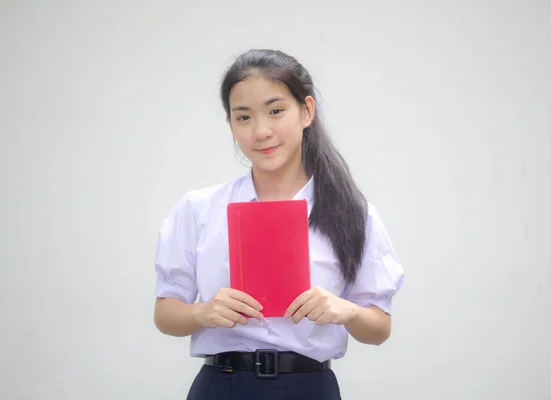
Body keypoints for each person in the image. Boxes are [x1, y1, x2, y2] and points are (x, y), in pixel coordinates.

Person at [153, 49, 405, 400]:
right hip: (222, 385)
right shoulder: (199, 209)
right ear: (231, 124)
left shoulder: (352, 214)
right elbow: (165, 314)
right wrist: (203, 312)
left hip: (307, 387)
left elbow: (380, 329)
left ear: (306, 111)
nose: (261, 131)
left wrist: (344, 310)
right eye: (243, 117)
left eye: (275, 111)